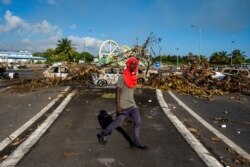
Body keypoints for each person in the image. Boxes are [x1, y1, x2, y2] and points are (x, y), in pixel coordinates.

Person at [97, 56, 148, 150]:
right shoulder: (123, 76)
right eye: (131, 63)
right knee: (117, 123)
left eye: (135, 64)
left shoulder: (133, 77)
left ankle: (137, 142)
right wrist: (118, 106)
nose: (133, 65)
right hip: (123, 106)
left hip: (133, 105)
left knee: (138, 123)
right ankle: (103, 134)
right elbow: (118, 91)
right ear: (128, 64)